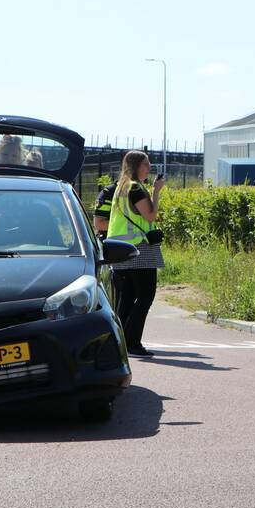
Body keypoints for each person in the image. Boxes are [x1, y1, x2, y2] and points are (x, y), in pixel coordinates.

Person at [107, 150, 165, 357]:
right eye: (146, 164)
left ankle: (118, 342)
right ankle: (132, 342)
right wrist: (156, 191)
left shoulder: (121, 187)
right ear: (136, 166)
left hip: (120, 249)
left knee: (127, 297)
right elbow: (150, 216)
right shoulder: (136, 188)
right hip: (139, 249)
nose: (149, 167)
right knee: (145, 296)